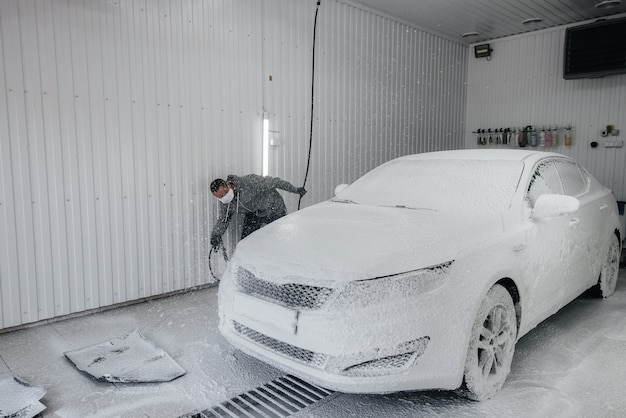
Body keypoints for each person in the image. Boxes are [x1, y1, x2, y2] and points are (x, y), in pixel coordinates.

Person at [210, 174, 306, 249]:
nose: (224, 198)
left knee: (280, 239)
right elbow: (224, 219)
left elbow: (275, 182)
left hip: (273, 208)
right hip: (255, 213)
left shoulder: (249, 182)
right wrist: (216, 235)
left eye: (225, 193)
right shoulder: (226, 202)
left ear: (228, 184)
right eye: (220, 197)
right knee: (246, 243)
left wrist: (295, 190)